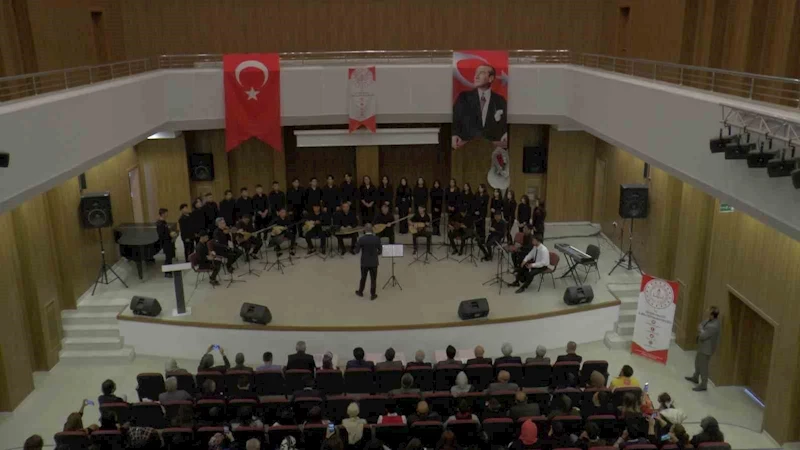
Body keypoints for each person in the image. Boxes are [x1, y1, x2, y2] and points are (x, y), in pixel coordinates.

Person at [452, 63, 508, 148]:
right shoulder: (463, 98)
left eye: (481, 73)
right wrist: (454, 135)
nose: (476, 76)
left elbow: (505, 125)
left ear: (490, 78)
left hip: (493, 149)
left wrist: (506, 134)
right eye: (476, 73)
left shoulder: (500, 100)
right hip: (466, 148)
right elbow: (454, 120)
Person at [686, 306, 721, 392]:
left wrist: (701, 330)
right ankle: (695, 377)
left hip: (706, 350)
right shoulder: (709, 320)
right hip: (701, 347)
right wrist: (702, 329)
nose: (707, 313)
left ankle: (703, 384)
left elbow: (703, 336)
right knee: (697, 362)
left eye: (709, 312)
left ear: (712, 315)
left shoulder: (714, 326)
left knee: (703, 367)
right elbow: (701, 325)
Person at [355, 223, 382, 301]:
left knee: (363, 277)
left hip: (364, 262)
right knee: (373, 279)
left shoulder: (361, 239)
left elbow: (356, 251)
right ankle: (373, 295)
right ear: (372, 230)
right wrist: (375, 254)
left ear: (365, 230)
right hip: (374, 262)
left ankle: (360, 292)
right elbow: (380, 251)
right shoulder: (376, 239)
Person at [156, 208, 177, 276]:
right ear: (162, 214)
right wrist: (170, 235)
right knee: (168, 258)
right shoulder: (160, 223)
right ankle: (167, 272)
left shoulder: (164, 222)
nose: (167, 214)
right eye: (166, 213)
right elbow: (161, 234)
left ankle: (169, 270)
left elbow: (167, 231)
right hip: (166, 243)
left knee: (169, 257)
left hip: (168, 241)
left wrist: (171, 234)